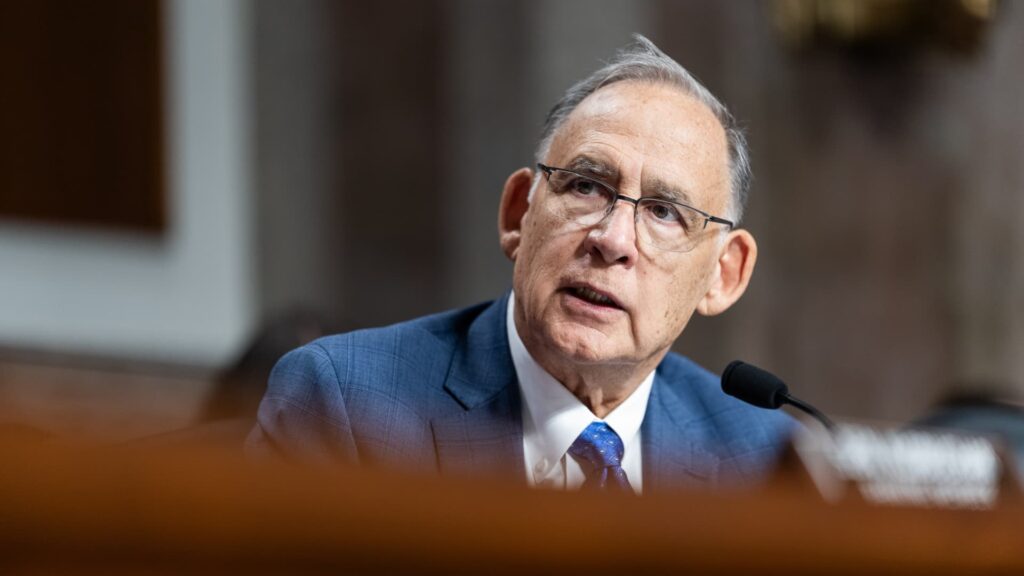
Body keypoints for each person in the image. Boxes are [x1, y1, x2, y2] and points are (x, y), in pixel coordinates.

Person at [247, 35, 793, 494]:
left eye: (664, 212)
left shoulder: (762, 458)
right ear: (517, 214)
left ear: (724, 274)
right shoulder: (346, 407)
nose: (611, 240)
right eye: (585, 186)